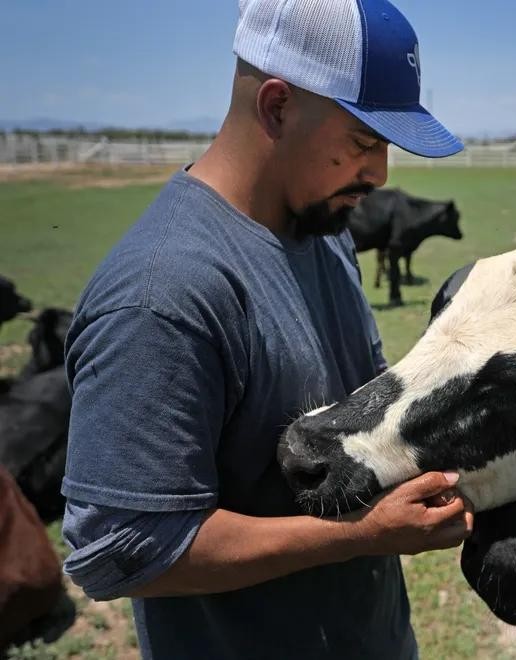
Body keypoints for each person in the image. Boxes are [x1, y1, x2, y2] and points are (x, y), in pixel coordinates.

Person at [59, 1, 471, 658]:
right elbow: (119, 552)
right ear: (276, 106)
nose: (381, 174)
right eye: (363, 142)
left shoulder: (323, 234)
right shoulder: (163, 292)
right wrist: (362, 534)